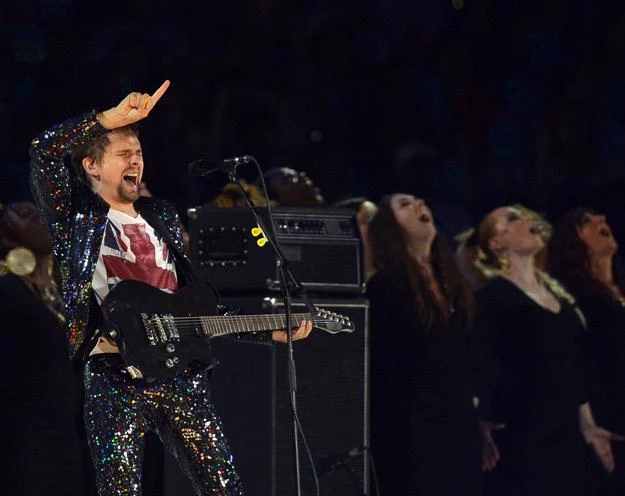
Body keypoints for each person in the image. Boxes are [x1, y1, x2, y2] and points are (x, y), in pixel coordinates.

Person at [29, 80, 312, 495]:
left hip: (181, 374)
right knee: (120, 488)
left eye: (139, 154)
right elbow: (44, 149)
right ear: (92, 165)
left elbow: (192, 308)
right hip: (114, 372)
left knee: (223, 486)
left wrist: (267, 330)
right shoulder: (77, 217)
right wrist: (109, 118)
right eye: (123, 154)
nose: (136, 162)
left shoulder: (159, 215)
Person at [472, 205, 620, 496]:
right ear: (496, 243)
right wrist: (479, 422)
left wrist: (588, 424)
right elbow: (479, 363)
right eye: (513, 218)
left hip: (566, 436)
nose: (529, 220)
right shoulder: (492, 299)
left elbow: (572, 365)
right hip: (524, 438)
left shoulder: (560, 300)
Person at [366, 193, 482, 495]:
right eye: (405, 205)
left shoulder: (453, 280)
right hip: (413, 427)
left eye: (420, 201)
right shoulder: (386, 286)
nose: (419, 205)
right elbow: (383, 367)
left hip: (458, 419)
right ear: (390, 227)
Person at [0, 201, 87, 495]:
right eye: (26, 216)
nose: (40, 218)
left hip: (69, 430)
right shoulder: (8, 292)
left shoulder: (67, 287)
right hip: (26, 436)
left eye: (41, 212)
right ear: (8, 238)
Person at [549, 207, 625, 495]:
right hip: (607, 417)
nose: (602, 220)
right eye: (586, 223)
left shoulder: (619, 288)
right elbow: (572, 359)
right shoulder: (573, 297)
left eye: (602, 218)